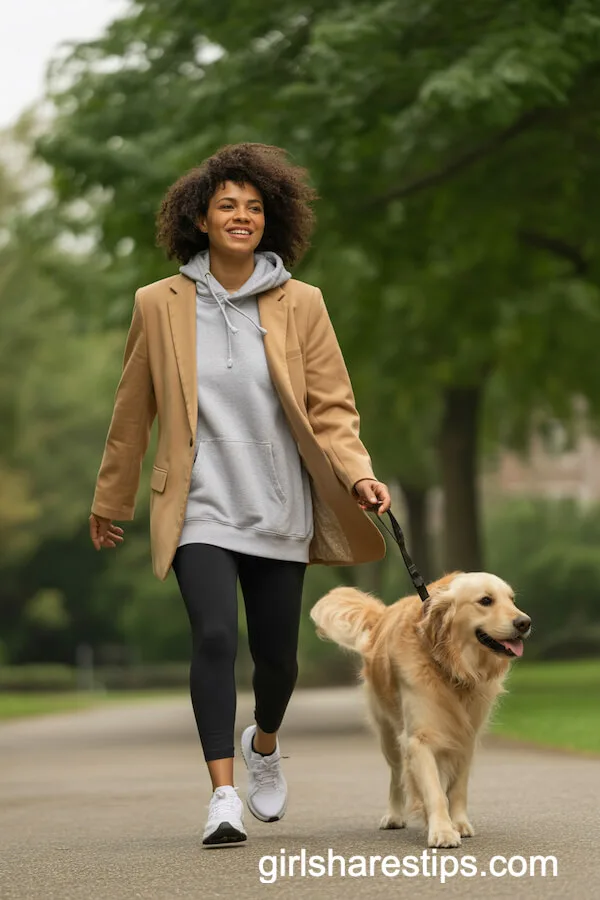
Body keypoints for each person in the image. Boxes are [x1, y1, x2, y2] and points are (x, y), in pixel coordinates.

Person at [88, 142, 391, 847]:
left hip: (279, 504)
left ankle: (264, 743)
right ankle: (222, 796)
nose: (241, 216)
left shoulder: (302, 303)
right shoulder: (158, 304)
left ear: (269, 219)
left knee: (278, 660)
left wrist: (358, 472)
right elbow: (132, 411)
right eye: (227, 205)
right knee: (216, 637)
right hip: (198, 506)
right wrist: (112, 498)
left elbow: (332, 407)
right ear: (200, 218)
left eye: (254, 207)